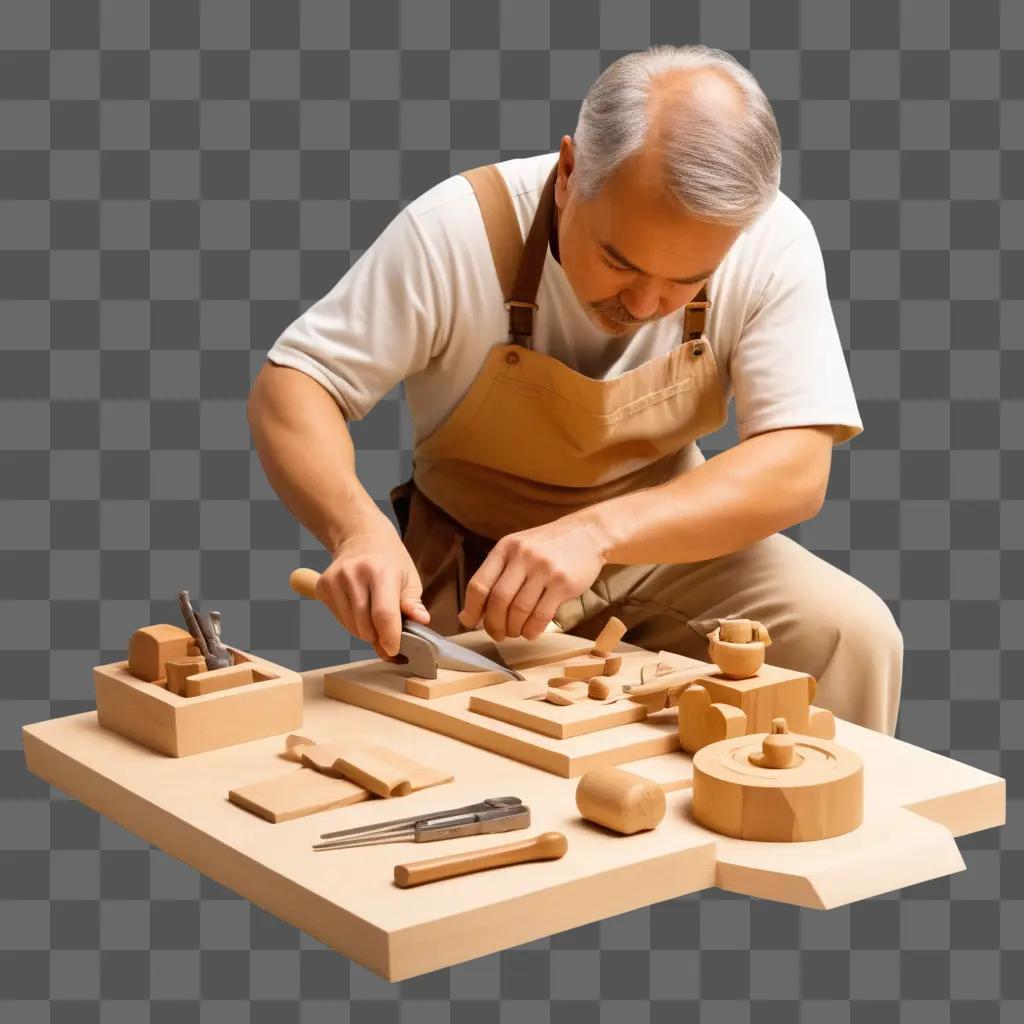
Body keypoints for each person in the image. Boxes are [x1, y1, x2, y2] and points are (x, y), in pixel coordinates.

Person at [248, 44, 902, 736]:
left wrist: (597, 532)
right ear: (569, 174)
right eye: (620, 262)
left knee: (851, 636)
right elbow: (294, 385)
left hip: (669, 550)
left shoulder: (770, 239)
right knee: (480, 755)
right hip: (478, 573)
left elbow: (797, 467)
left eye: (686, 282)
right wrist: (358, 531)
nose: (647, 303)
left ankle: (806, 838)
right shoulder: (456, 230)